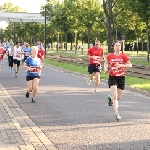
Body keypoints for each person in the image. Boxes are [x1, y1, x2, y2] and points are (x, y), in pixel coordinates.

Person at [104, 41, 132, 121]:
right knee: (115, 96)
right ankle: (117, 114)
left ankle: (111, 99)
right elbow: (106, 63)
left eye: (119, 45)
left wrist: (121, 65)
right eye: (116, 45)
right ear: (113, 46)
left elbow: (130, 65)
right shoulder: (110, 55)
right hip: (112, 77)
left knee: (118, 97)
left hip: (121, 77)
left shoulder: (123, 55)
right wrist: (105, 68)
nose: (118, 46)